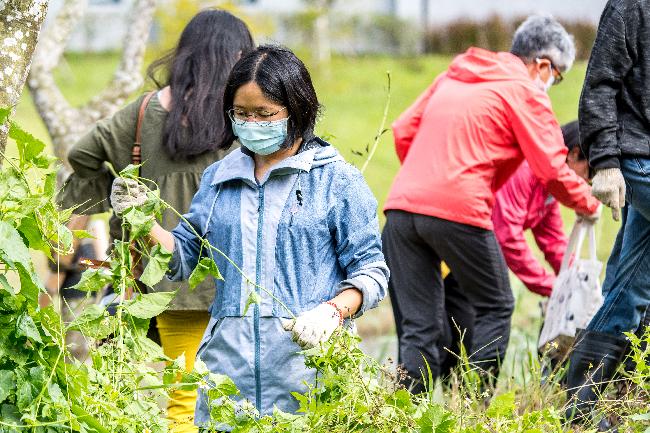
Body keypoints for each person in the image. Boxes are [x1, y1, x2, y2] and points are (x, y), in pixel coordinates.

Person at [108, 45, 388, 428]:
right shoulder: (220, 178)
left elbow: (371, 271)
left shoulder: (336, 181)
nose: (251, 123)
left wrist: (332, 311)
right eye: (241, 114)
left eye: (264, 114)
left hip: (309, 373)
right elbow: (184, 257)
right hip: (227, 377)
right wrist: (143, 221)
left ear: (297, 110)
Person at [57, 10, 255, 432]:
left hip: (163, 279)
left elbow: (82, 155)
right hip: (236, 274)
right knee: (236, 395)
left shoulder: (144, 112)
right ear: (234, 58)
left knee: (183, 397)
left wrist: (122, 187)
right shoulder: (243, 117)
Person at [382, 15, 600, 393]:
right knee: (496, 307)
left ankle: (402, 417)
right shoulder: (525, 90)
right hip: (459, 208)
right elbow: (551, 167)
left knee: (421, 330)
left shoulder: (455, 75)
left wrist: (428, 181)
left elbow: (403, 130)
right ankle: (472, 409)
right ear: (543, 65)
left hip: (401, 209)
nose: (553, 85)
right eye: (558, 77)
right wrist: (588, 203)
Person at [435, 121, 593, 378]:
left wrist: (575, 281)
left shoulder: (548, 186)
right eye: (591, 172)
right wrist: (550, 287)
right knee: (436, 337)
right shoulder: (527, 167)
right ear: (574, 153)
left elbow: (552, 239)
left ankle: (467, 409)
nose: (588, 182)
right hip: (445, 251)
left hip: (468, 264)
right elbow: (507, 235)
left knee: (464, 344)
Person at [565, 0, 650, 427]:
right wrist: (606, 160)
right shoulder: (632, 6)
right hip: (638, 157)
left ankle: (581, 410)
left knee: (630, 287)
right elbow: (599, 83)